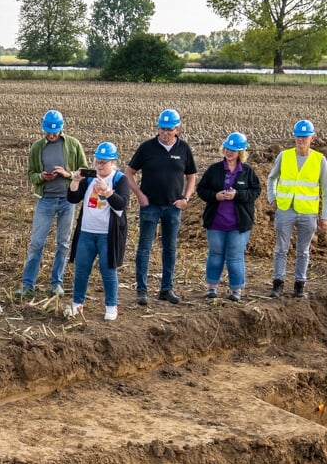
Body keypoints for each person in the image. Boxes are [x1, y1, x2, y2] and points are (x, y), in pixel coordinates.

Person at [126, 108, 198, 306]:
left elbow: (191, 176)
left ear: (178, 129)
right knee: (144, 248)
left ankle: (166, 289)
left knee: (170, 248)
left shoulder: (184, 149)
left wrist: (186, 198)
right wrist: (139, 195)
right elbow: (128, 172)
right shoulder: (147, 148)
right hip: (150, 207)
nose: (165, 133)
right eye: (162, 129)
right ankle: (141, 290)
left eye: (169, 129)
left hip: (173, 207)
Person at [16, 109, 88, 298]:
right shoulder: (37, 147)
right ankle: (27, 284)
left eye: (55, 131)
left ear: (62, 128)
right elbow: (31, 174)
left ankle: (56, 283)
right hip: (45, 201)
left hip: (67, 201)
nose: (52, 134)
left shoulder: (73, 144)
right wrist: (41, 177)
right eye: (49, 131)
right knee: (36, 243)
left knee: (63, 244)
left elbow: (84, 171)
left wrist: (68, 174)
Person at [265, 119, 327, 299]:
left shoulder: (319, 160)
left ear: (313, 138)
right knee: (281, 248)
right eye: (298, 136)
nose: (301, 140)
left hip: (308, 212)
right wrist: (272, 198)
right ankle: (278, 283)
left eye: (304, 137)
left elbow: (326, 191)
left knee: (303, 250)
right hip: (285, 209)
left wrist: (325, 216)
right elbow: (271, 178)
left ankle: (299, 285)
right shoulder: (284, 156)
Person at [65, 142, 131, 321]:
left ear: (113, 162)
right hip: (86, 231)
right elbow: (72, 198)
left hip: (107, 234)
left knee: (108, 270)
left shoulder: (119, 179)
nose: (100, 166)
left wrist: (107, 192)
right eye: (97, 161)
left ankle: (111, 305)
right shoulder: (89, 179)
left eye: (104, 162)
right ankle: (77, 303)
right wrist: (75, 181)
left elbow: (122, 204)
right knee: (81, 269)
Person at [195, 132, 262, 302]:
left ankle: (236, 290)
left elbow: (255, 192)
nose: (229, 152)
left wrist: (237, 195)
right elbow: (202, 190)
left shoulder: (248, 172)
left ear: (241, 152)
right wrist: (215, 196)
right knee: (215, 254)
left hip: (238, 224)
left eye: (233, 149)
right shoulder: (214, 169)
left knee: (235, 256)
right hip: (216, 222)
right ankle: (212, 288)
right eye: (227, 148)